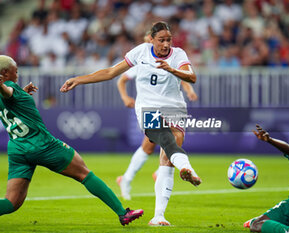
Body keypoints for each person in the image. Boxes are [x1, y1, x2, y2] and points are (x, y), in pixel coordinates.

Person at [60, 21, 202, 226]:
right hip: (148, 108)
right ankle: (188, 169)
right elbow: (111, 73)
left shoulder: (178, 54)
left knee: (169, 156)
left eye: (168, 40)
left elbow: (192, 77)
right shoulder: (141, 52)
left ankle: (159, 216)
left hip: (174, 107)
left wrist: (172, 69)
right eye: (161, 40)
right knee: (166, 140)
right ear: (151, 39)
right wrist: (79, 79)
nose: (165, 44)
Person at [0, 55, 143, 226]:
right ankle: (123, 213)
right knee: (84, 173)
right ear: (5, 73)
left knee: (11, 202)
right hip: (42, 145)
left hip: (17, 149)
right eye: (15, 70)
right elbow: (7, 92)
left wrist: (20, 91)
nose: (18, 73)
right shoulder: (7, 88)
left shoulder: (10, 92)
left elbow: (10, 101)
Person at [116, 55, 198, 201]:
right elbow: (121, 79)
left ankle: (131, 178)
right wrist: (125, 97)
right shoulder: (142, 61)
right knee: (156, 145)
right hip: (151, 109)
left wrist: (189, 89)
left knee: (159, 144)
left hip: (169, 108)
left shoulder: (171, 59)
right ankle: (157, 172)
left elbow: (180, 76)